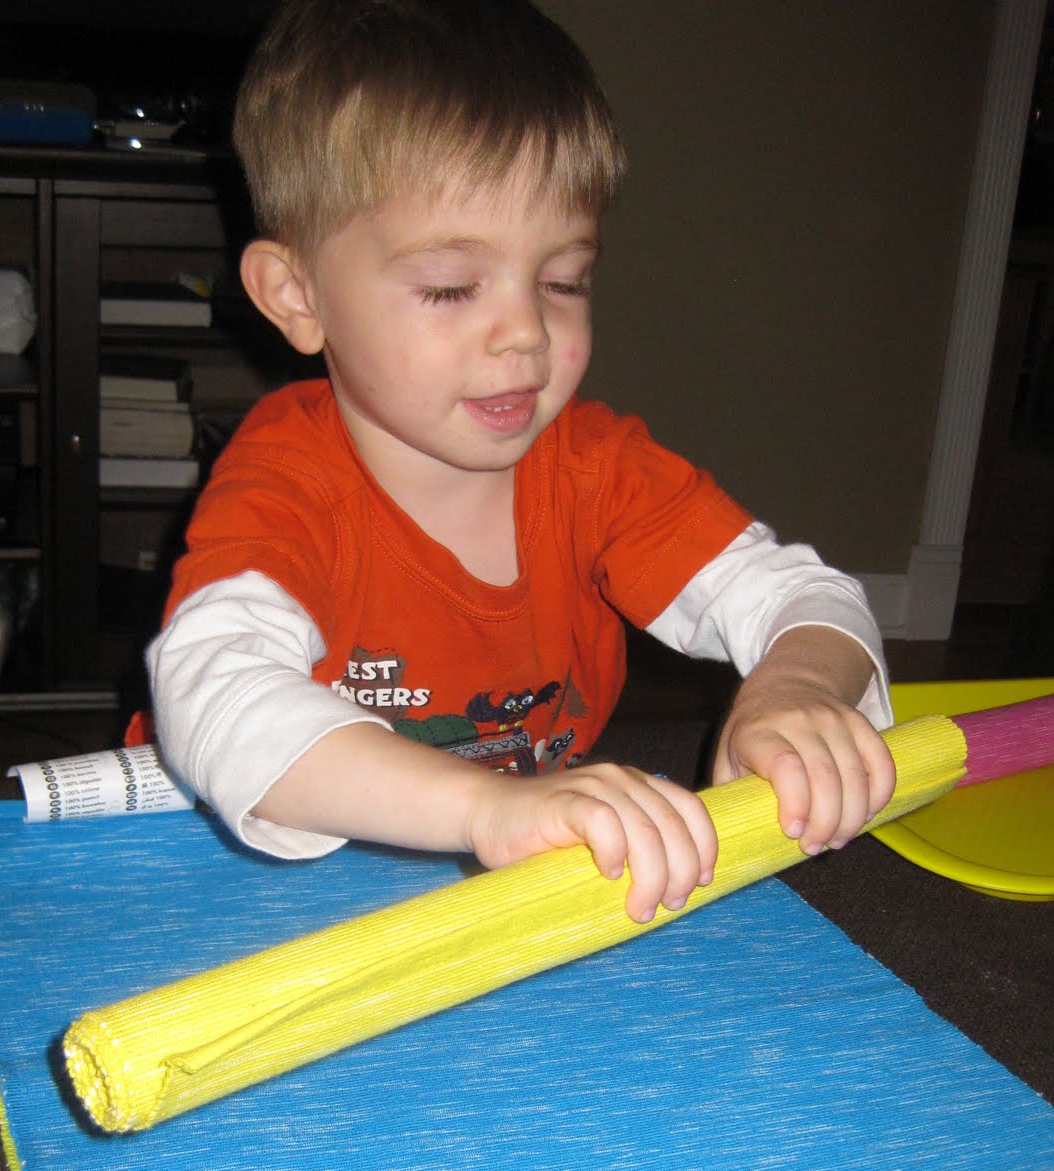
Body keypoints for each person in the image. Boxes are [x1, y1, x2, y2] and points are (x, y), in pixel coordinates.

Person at [145, 0, 896, 924]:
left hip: (488, 869)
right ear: (296, 295)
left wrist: (794, 693)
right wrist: (485, 807)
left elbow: (805, 597)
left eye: (561, 281)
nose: (526, 333)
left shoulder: (595, 467)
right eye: (451, 286)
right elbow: (216, 697)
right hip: (221, 847)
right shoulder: (286, 480)